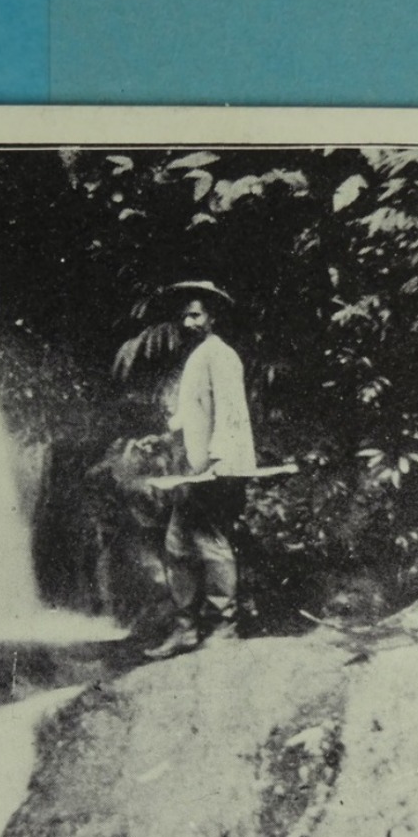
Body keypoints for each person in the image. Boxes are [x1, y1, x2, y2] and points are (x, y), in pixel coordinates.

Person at [144, 281, 258, 659]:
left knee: (209, 541)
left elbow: (231, 410)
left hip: (214, 468)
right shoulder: (196, 357)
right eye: (185, 316)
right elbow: (193, 413)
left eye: (196, 314)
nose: (189, 322)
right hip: (194, 468)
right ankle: (187, 629)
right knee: (177, 545)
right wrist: (163, 439)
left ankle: (224, 625)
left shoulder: (220, 355)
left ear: (212, 317)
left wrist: (219, 460)